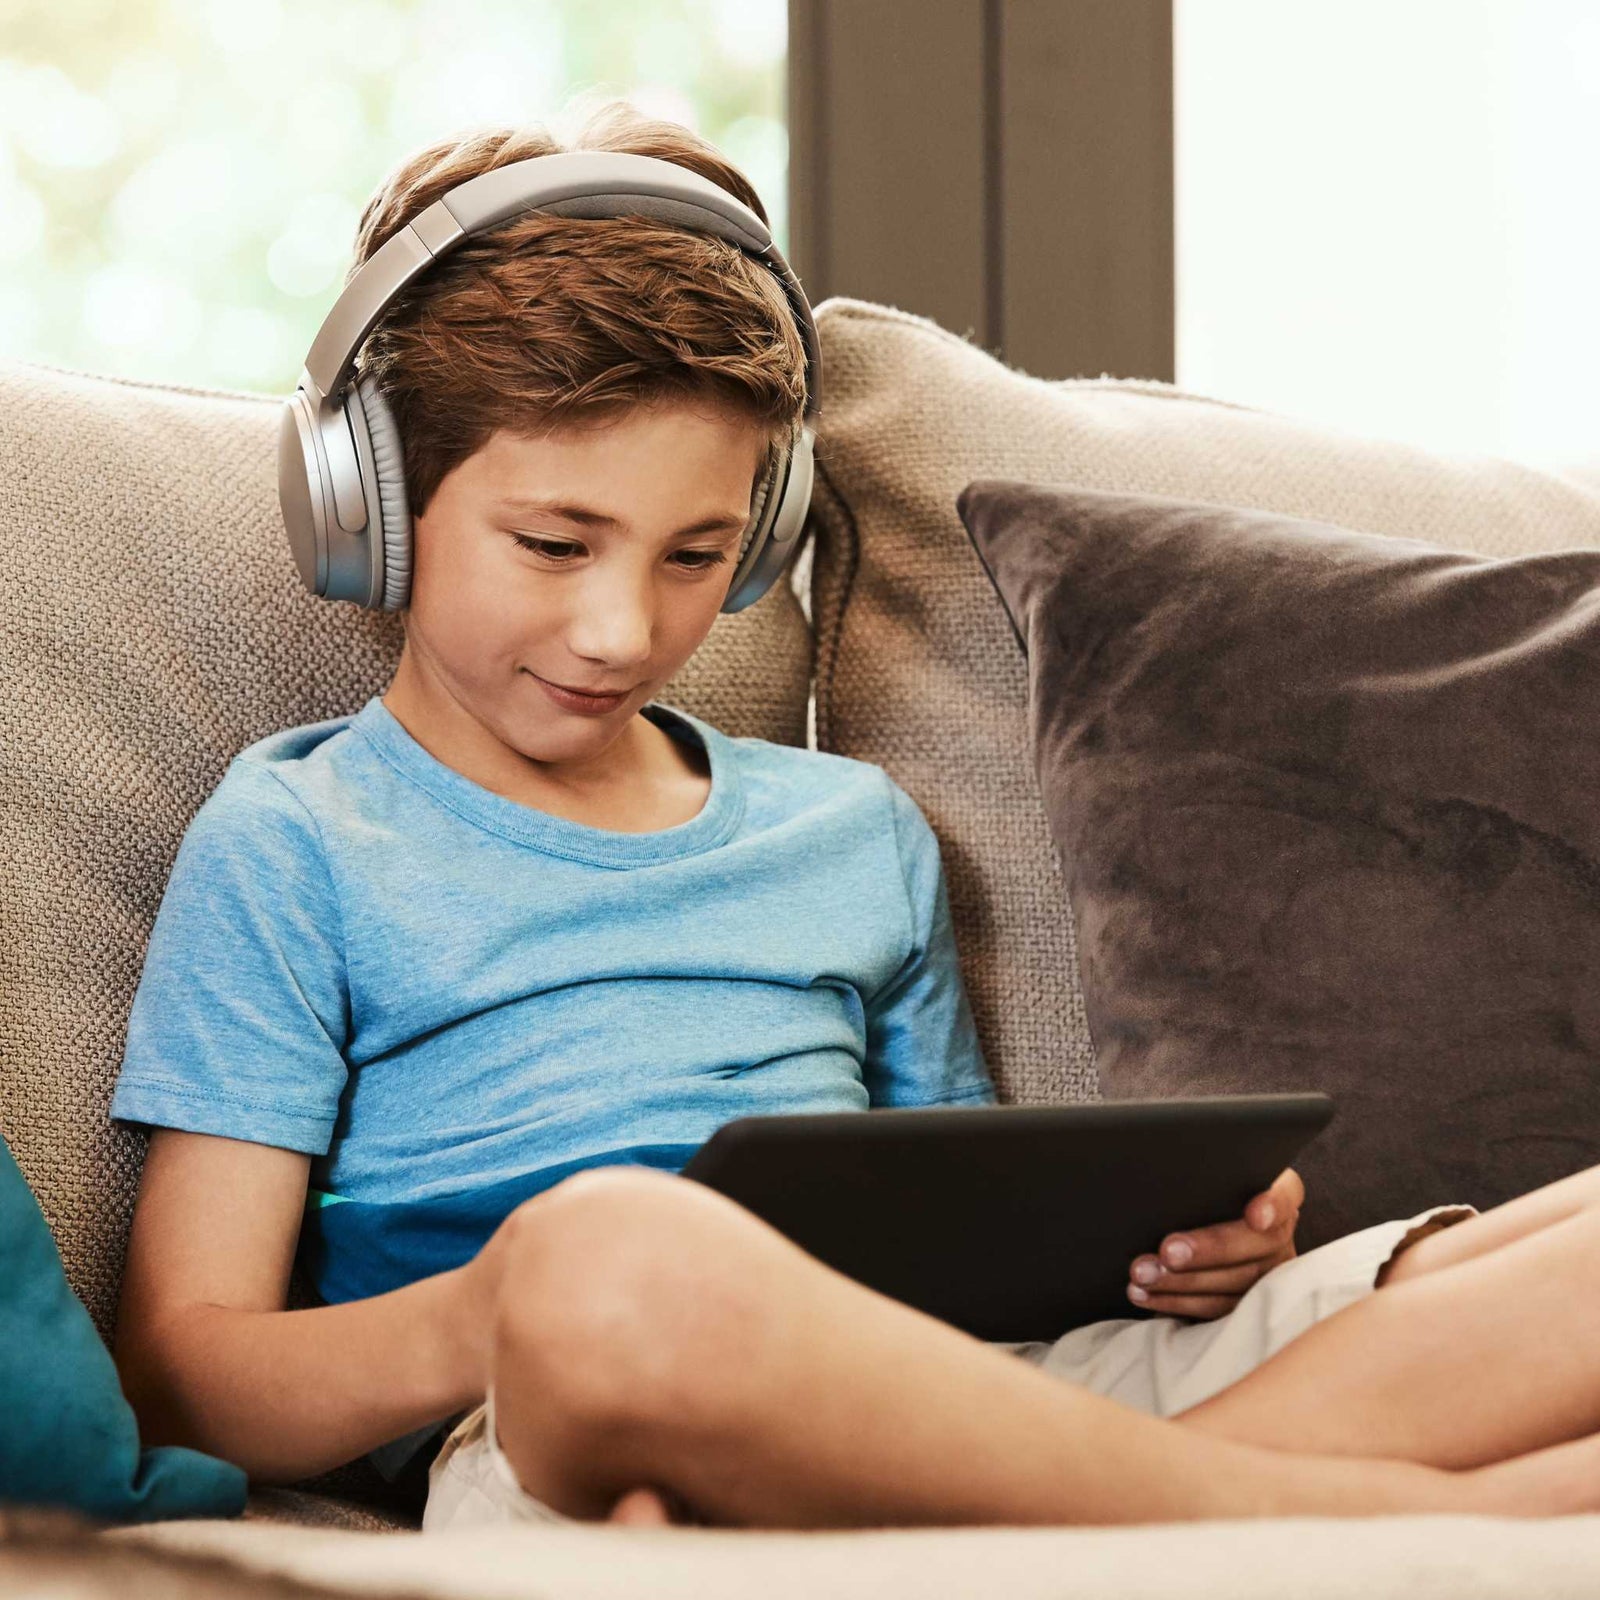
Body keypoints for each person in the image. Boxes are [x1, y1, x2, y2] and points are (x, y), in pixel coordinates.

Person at [106, 101, 1600, 1534]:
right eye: (555, 543)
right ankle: (1403, 1513)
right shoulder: (296, 838)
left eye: (696, 554)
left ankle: (1115, 1508)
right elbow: (186, 1374)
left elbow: (965, 1256)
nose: (624, 629)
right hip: (580, 1408)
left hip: (962, 1392)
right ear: (367, 500)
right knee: (609, 1247)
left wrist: (1178, 1257)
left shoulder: (850, 833)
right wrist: (503, 1298)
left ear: (763, 533)